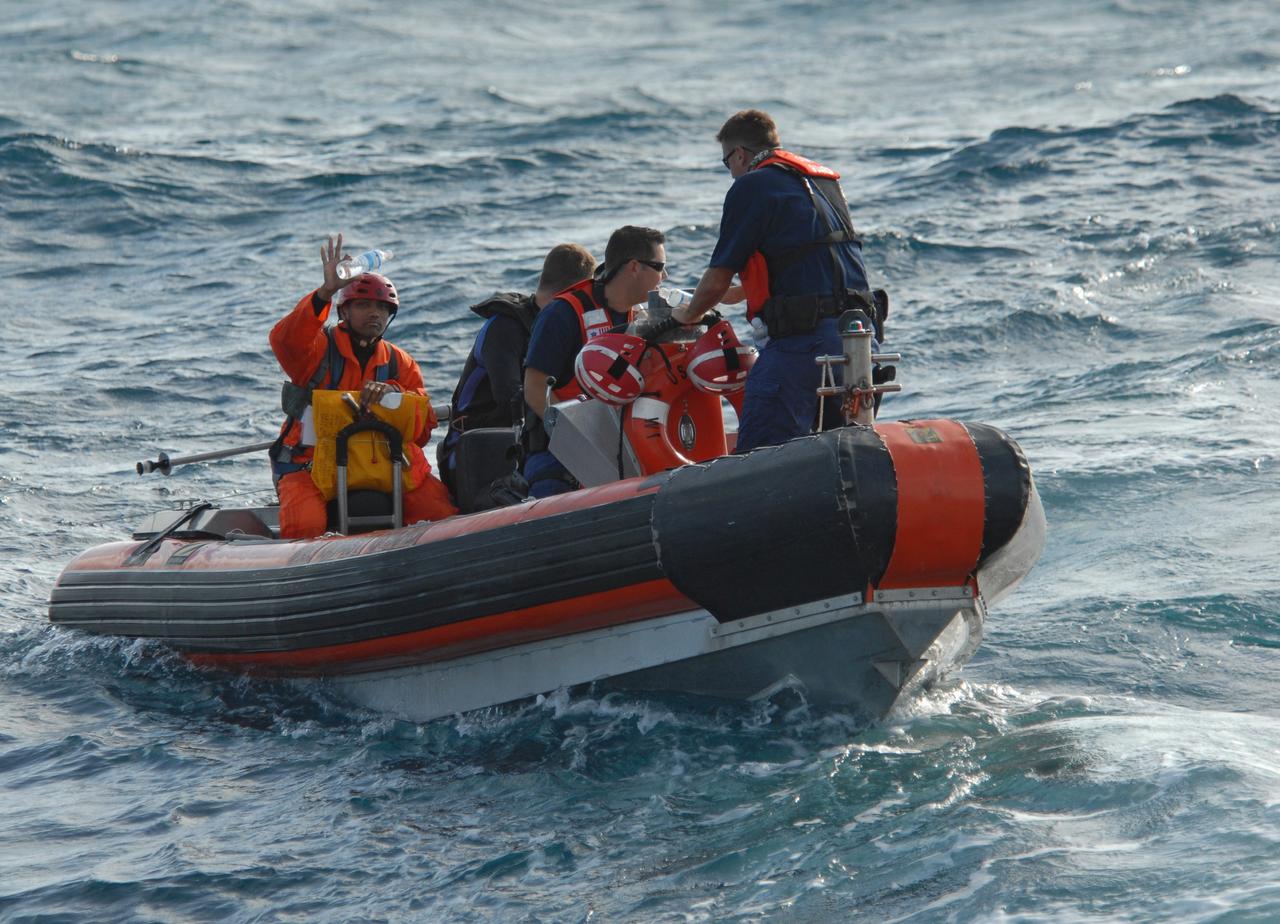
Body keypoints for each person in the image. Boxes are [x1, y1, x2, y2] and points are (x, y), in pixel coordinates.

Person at [672, 109, 879, 452]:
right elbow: (813, 258)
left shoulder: (752, 185)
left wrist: (687, 315)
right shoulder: (821, 182)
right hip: (859, 343)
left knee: (761, 455)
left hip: (802, 348)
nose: (731, 172)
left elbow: (715, 278)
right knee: (842, 451)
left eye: (727, 164)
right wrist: (745, 291)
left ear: (739, 154)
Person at [269, 234, 456, 539]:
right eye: (364, 305)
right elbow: (284, 340)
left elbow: (421, 430)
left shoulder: (400, 363)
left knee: (443, 518)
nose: (374, 313)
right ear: (343, 312)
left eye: (382, 308)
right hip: (310, 466)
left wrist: (395, 394)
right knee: (305, 527)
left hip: (383, 463)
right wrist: (326, 292)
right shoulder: (317, 352)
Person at [437, 243, 596, 495]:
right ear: (574, 290)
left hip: (527, 447)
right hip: (477, 451)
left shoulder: (558, 327)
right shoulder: (506, 327)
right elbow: (510, 395)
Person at [522, 226, 668, 497]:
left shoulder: (643, 319)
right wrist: (575, 441)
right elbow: (533, 388)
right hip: (560, 455)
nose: (665, 276)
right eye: (659, 266)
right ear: (634, 267)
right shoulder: (563, 313)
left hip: (624, 448)